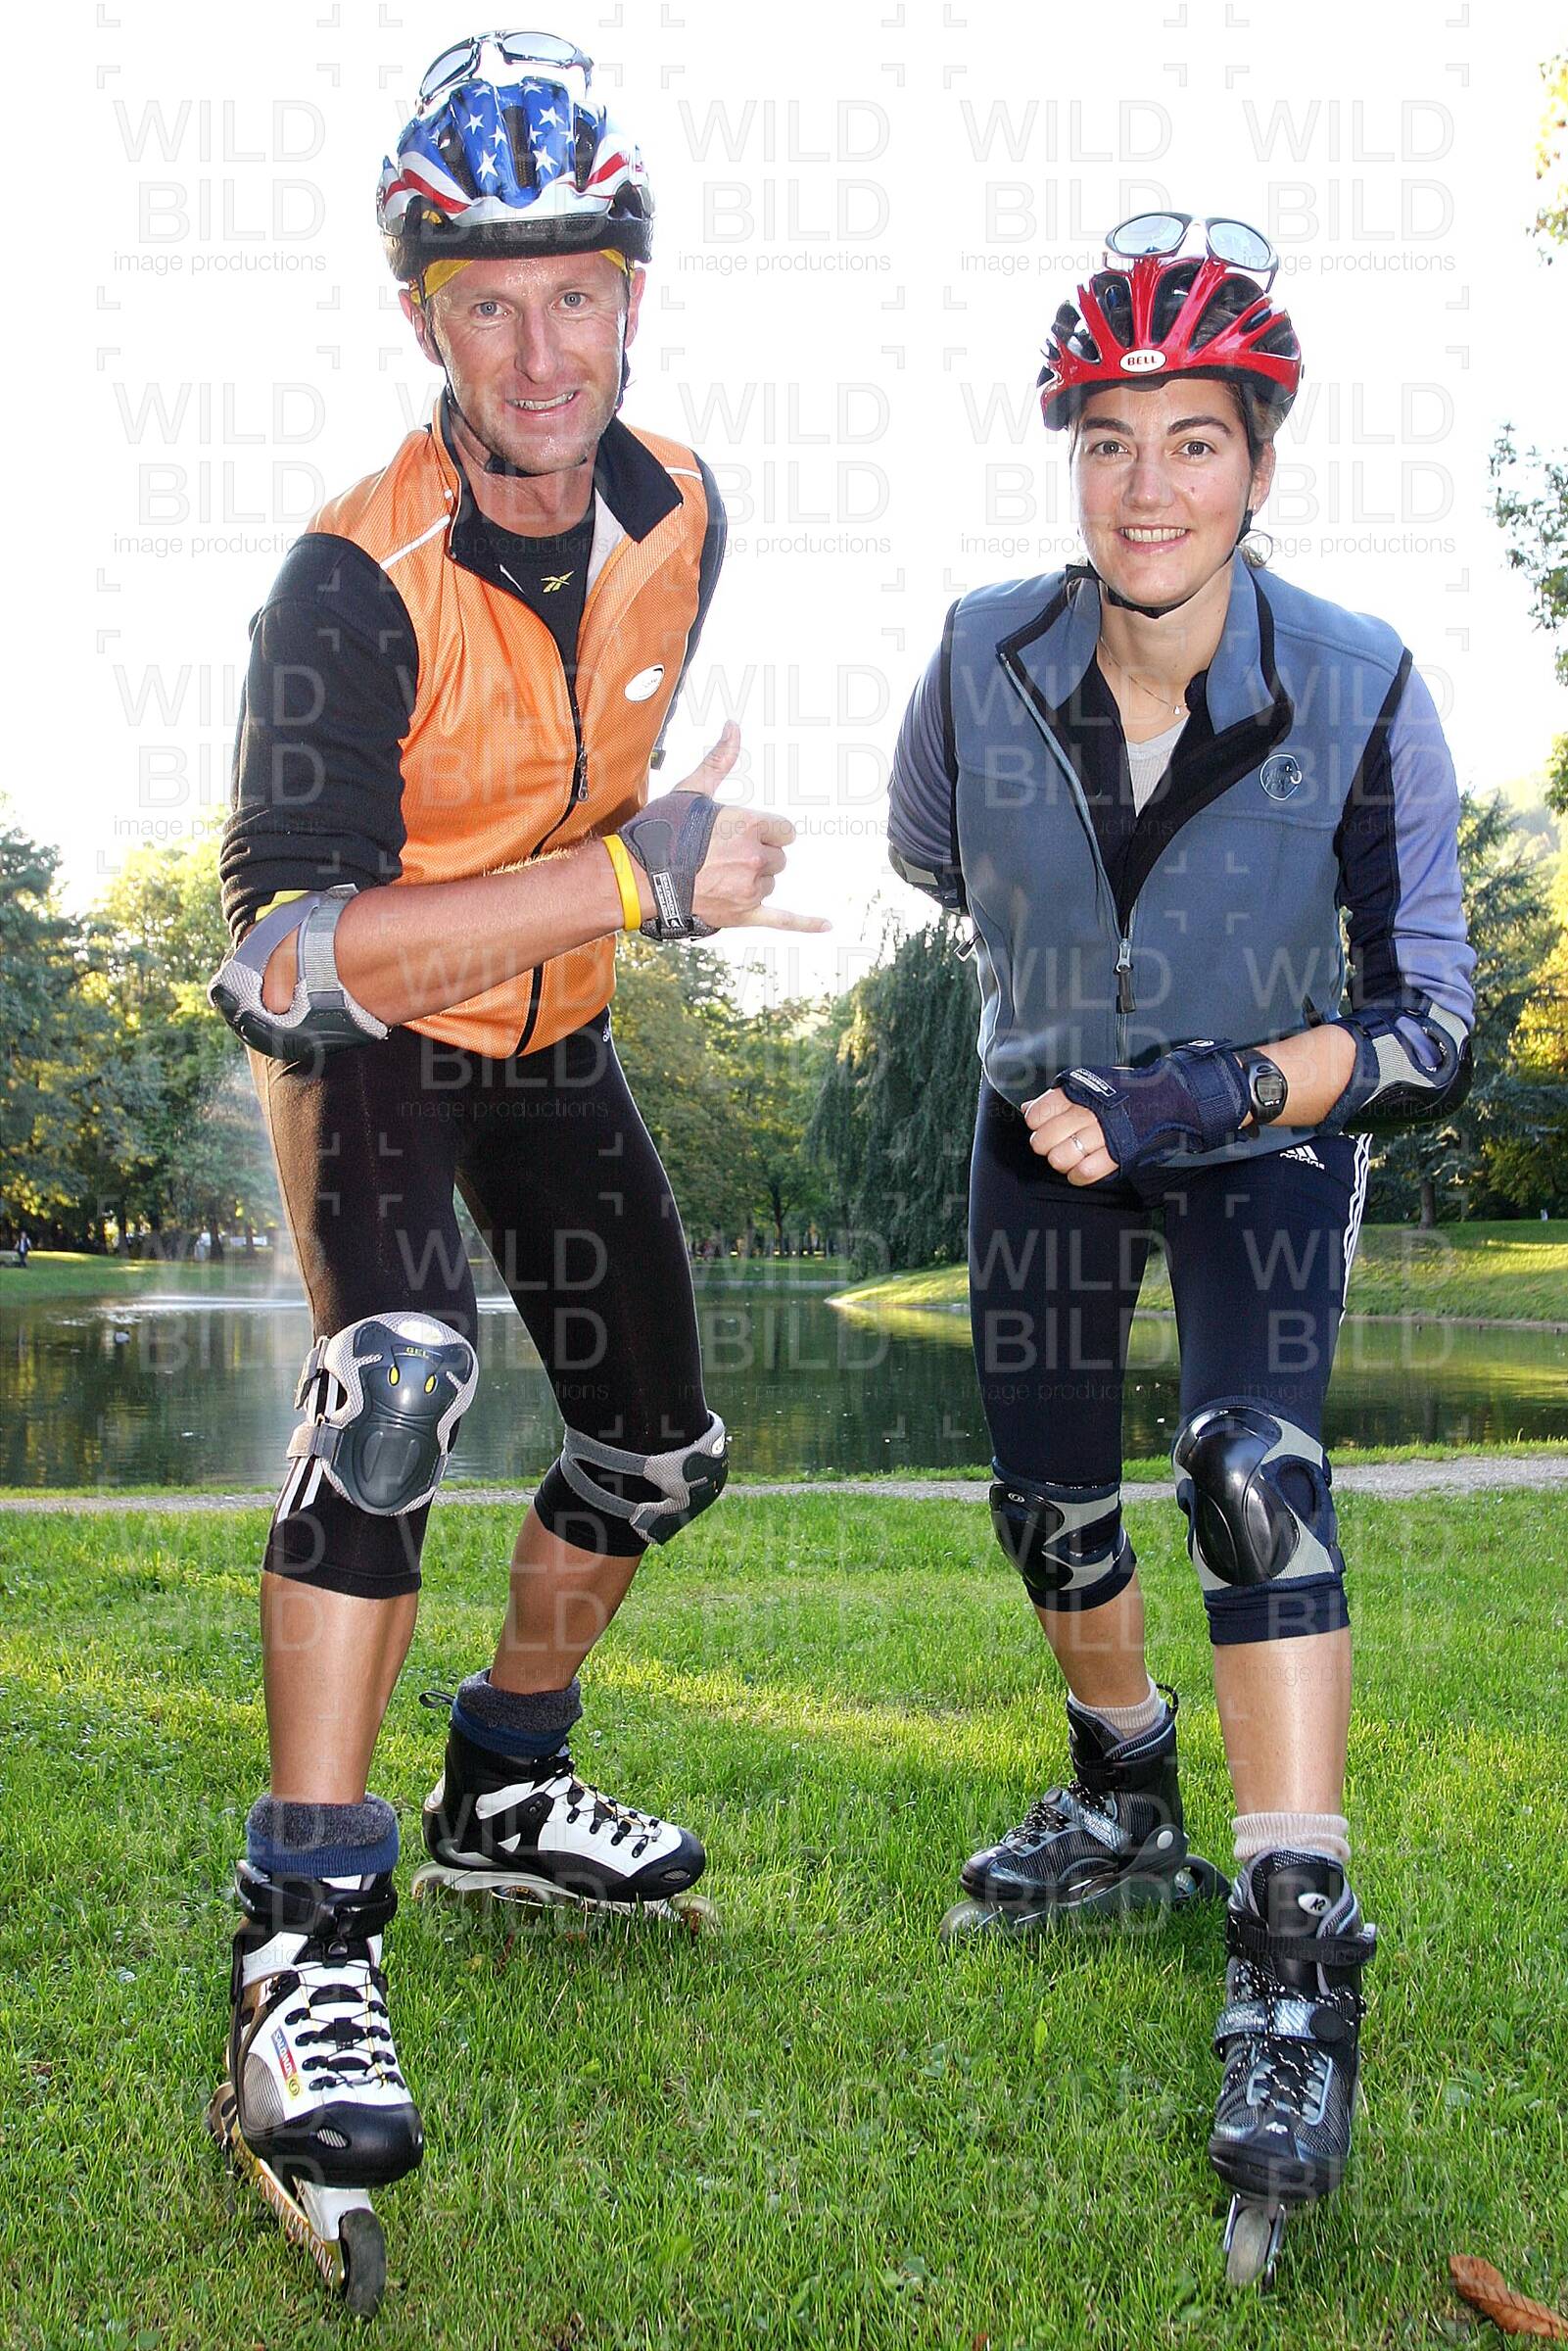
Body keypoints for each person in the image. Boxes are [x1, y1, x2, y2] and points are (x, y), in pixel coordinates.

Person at [206, 29, 822, 2307]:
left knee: (661, 1453)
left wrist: (638, 876)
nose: (542, 350)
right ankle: (303, 1932)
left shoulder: (689, 510)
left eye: (579, 292)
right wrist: (632, 882)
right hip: (374, 1041)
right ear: (424, 318)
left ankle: (505, 1784)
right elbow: (285, 953)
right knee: (396, 1372)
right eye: (490, 302)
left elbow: (593, 790)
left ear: (635, 295)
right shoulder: (342, 579)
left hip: (553, 1034)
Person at [887, 212, 1474, 2285]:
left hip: (1262, 1133)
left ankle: (1296, 1960)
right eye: (1109, 439)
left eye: (1195, 440)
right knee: (1048, 1507)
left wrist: (1207, 1086)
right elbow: (936, 858)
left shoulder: (1364, 679)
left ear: (1260, 463)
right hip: (1041, 1120)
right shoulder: (976, 654)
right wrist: (1080, 1035)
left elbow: (1431, 1023)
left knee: (1249, 1466)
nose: (1148, 485)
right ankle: (1125, 1799)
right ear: (1070, 457)